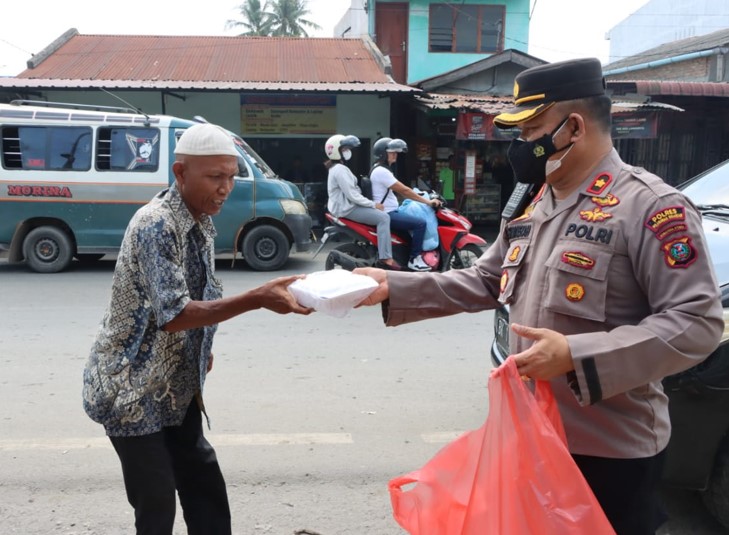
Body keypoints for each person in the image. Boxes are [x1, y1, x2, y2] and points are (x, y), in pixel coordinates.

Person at [355, 58, 724, 535]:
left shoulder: (650, 207)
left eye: (530, 130)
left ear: (573, 127)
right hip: (533, 437)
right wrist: (391, 285)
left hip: (607, 454)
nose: (520, 146)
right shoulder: (538, 204)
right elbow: (486, 280)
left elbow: (697, 323)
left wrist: (576, 354)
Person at [82, 123, 312, 535]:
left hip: (174, 384)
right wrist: (258, 298)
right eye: (214, 177)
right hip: (131, 388)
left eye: (230, 176)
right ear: (180, 173)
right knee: (156, 502)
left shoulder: (199, 219)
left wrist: (203, 348)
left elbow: (199, 293)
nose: (225, 188)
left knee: (204, 483)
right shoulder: (156, 224)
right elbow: (175, 314)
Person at [325, 133, 400, 270]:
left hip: (346, 207)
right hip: (348, 209)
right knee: (383, 218)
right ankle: (386, 257)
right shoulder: (340, 170)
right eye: (344, 149)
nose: (348, 152)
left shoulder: (338, 168)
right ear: (335, 151)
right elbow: (352, 195)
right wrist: (373, 204)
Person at [370, 137, 442, 272]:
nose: (395, 155)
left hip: (390, 210)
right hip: (388, 213)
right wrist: (427, 201)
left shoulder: (379, 169)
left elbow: (399, 190)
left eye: (396, 152)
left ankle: (406, 254)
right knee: (420, 223)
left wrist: (419, 195)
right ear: (382, 154)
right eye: (392, 152)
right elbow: (404, 190)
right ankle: (415, 259)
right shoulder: (382, 171)